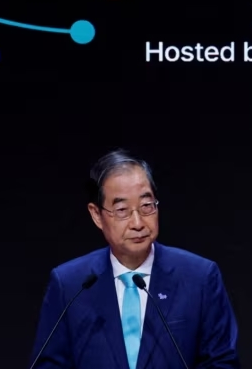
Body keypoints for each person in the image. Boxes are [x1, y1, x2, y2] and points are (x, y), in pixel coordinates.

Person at [29, 150, 240, 368]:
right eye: (122, 210)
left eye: (146, 206)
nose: (138, 222)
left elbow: (222, 363)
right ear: (96, 215)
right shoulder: (71, 285)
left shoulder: (200, 277)